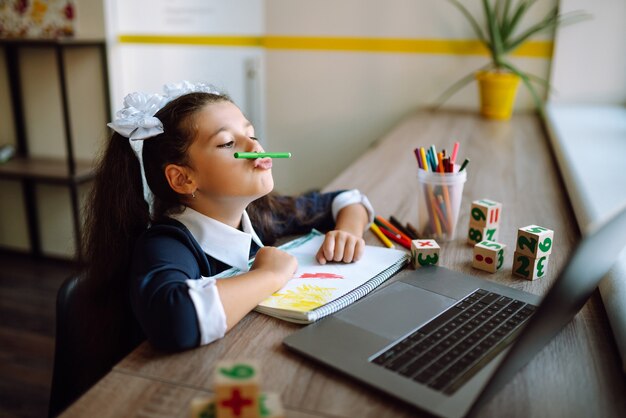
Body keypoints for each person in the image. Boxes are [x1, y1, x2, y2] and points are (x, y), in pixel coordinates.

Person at [82, 81, 374, 352]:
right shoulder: (166, 244)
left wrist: (348, 231)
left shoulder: (260, 213)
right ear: (182, 179)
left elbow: (346, 200)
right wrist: (269, 275)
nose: (255, 147)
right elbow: (175, 321)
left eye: (251, 134)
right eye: (227, 143)